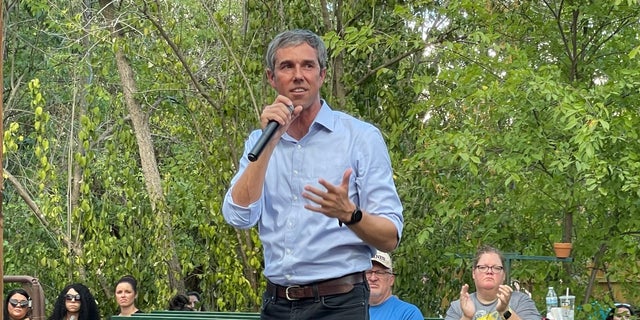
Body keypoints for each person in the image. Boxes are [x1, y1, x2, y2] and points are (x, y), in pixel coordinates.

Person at [222, 29, 404, 320]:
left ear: (322, 75)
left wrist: (350, 214)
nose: (298, 75)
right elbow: (238, 216)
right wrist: (270, 141)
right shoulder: (260, 140)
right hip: (276, 303)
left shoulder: (361, 138)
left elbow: (390, 237)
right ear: (271, 78)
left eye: (307, 65)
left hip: (340, 304)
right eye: (287, 66)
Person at [445, 245, 541, 320]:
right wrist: (466, 317)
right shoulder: (458, 307)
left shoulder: (520, 301)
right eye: (482, 267)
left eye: (496, 268)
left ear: (504, 275)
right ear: (473, 273)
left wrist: (505, 311)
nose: (489, 271)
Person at [367, 250, 423, 320]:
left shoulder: (408, 314)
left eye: (379, 272)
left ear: (391, 280)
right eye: (368, 272)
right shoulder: (351, 310)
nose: (373, 278)